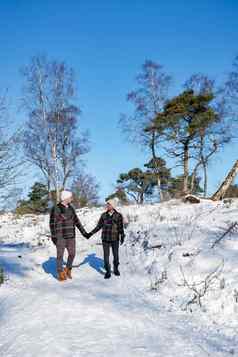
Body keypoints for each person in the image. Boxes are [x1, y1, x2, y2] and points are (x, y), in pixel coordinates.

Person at [49, 190, 89, 281]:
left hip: (71, 236)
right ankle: (60, 272)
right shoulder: (56, 208)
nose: (72, 198)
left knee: (72, 254)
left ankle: (68, 269)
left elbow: (77, 221)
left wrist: (84, 233)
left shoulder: (71, 208)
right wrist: (54, 236)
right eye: (70, 197)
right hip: (60, 236)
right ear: (65, 198)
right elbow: (52, 223)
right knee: (60, 255)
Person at [87, 198, 125, 279]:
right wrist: (90, 233)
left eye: (109, 204)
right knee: (106, 256)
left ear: (113, 206)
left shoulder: (118, 215)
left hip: (115, 238)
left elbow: (121, 227)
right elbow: (98, 226)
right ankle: (108, 271)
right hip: (105, 238)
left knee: (116, 256)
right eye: (107, 204)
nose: (107, 206)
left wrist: (122, 236)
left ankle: (116, 268)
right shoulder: (103, 215)